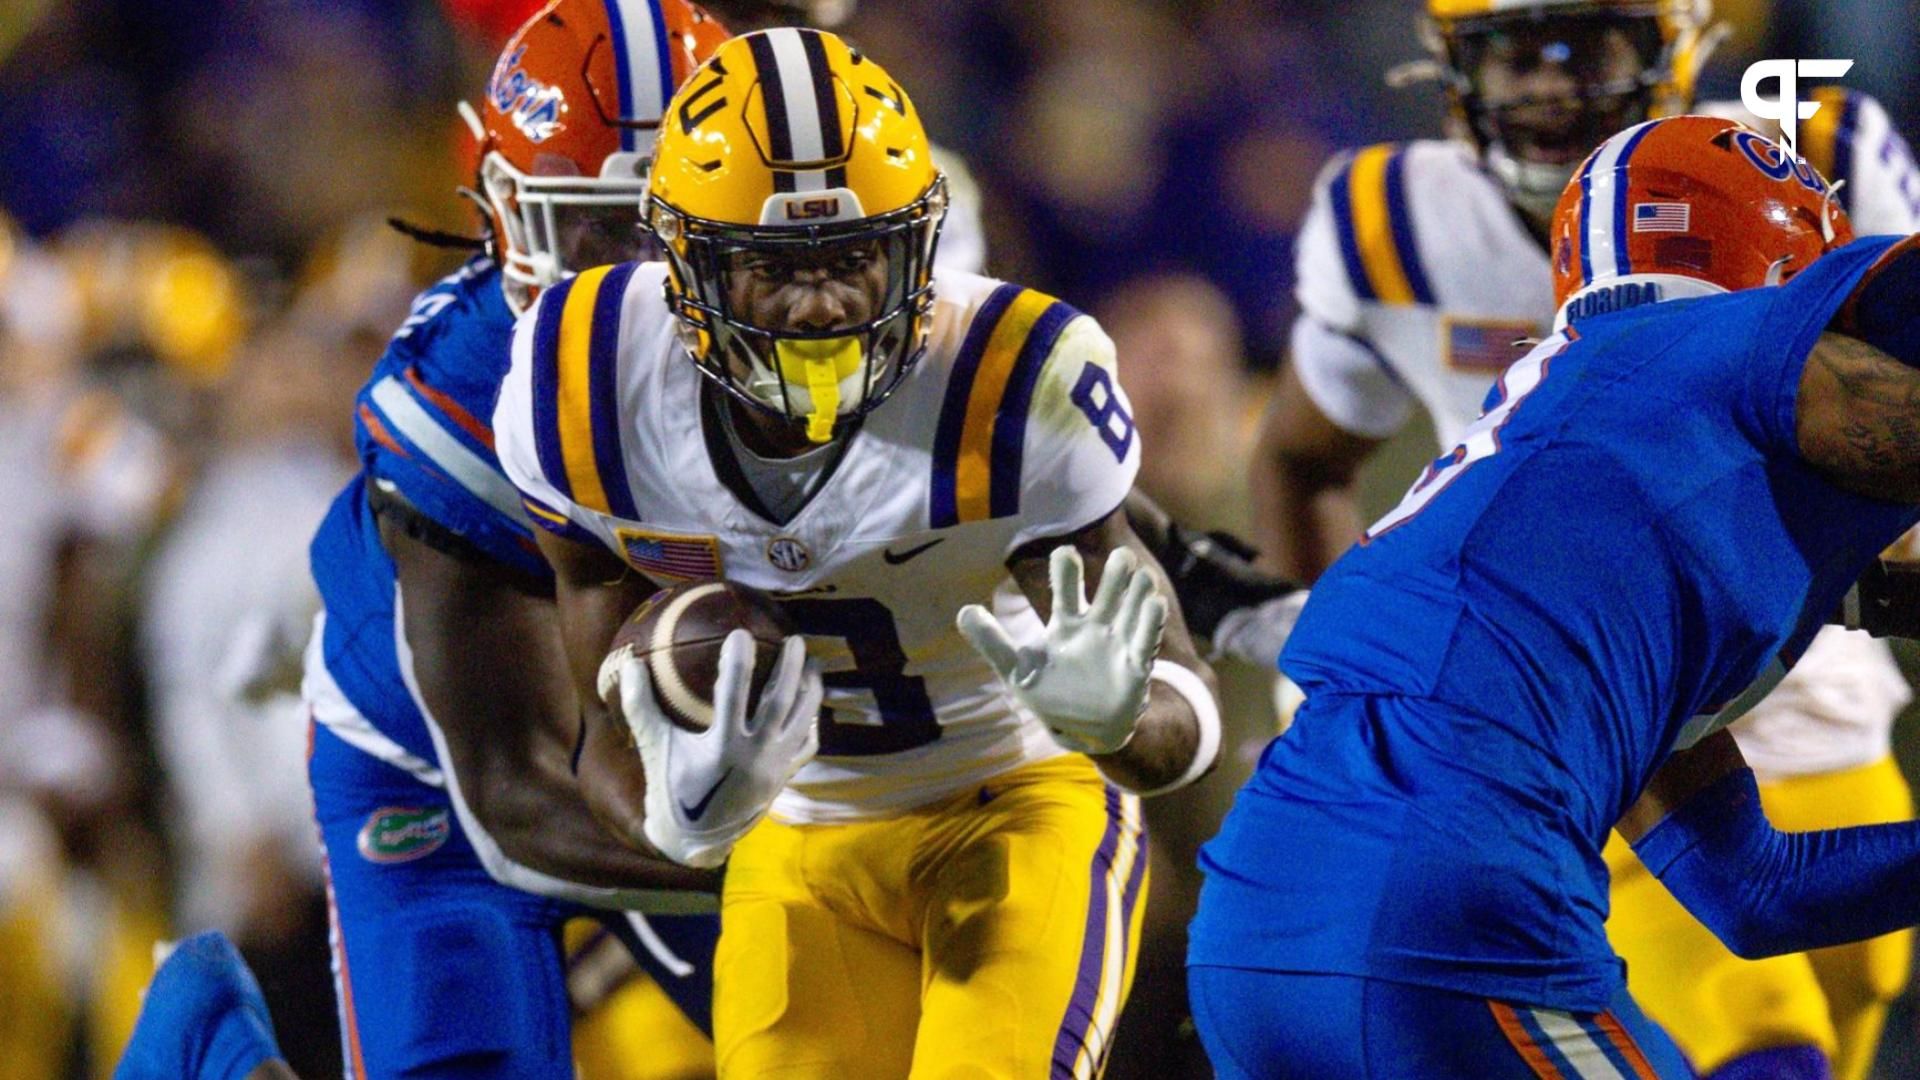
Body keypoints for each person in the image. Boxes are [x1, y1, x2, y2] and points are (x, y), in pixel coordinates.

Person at [493, 29, 1222, 1077]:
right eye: (773, 268)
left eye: (852, 258)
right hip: (800, 838)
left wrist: (1118, 721)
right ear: (685, 261)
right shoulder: (585, 384)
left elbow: (1183, 712)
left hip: (1014, 800)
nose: (823, 302)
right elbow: (604, 715)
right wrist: (674, 814)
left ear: (915, 249)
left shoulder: (1011, 379)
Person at [1251, 2, 1920, 1074]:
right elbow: (1300, 457)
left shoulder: (1809, 158)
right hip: (1591, 714)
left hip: (1797, 697)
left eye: (1587, 45)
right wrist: (1343, 681)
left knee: (1828, 1013)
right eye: (1517, 52)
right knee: (1755, 1046)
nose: (1550, 84)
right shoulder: (1391, 219)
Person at [301, 4, 733, 1077]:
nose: (647, 272)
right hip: (442, 788)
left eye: (676, 223)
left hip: (700, 741)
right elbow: (522, 802)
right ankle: (208, 1051)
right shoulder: (453, 405)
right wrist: (822, 846)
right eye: (603, 226)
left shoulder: (811, 311)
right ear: (505, 206)